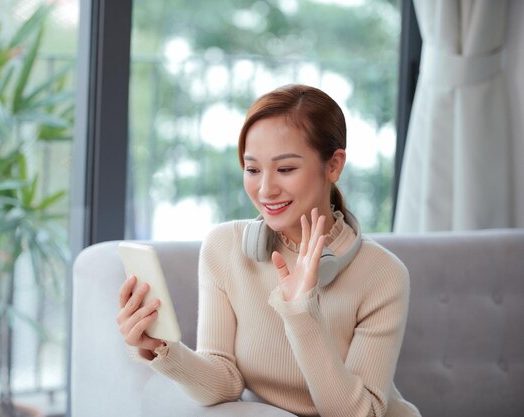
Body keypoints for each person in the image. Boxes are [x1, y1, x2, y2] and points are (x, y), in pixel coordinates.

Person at [116, 84, 421, 417]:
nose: (265, 189)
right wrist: (163, 350)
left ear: (333, 166)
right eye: (252, 169)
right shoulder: (224, 247)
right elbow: (225, 381)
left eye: (285, 169)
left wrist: (302, 311)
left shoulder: (382, 274)